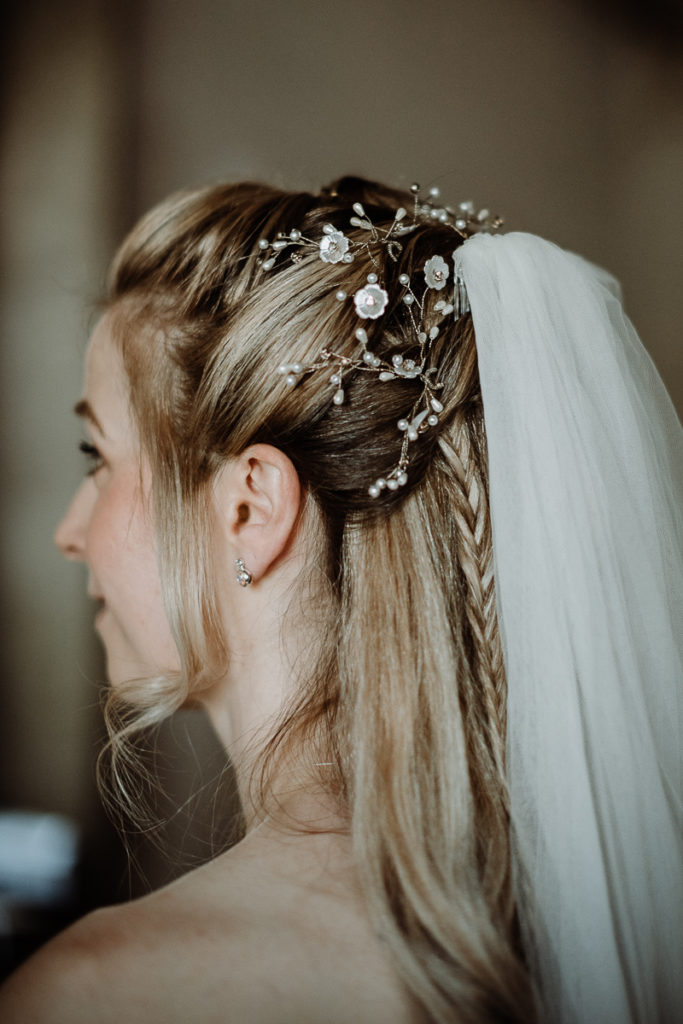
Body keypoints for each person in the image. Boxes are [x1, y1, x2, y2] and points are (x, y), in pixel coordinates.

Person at [0, 176, 680, 1023]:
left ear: (249, 509)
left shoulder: (98, 994)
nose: (71, 531)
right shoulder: (602, 945)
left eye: (96, 456)